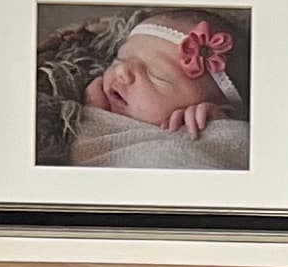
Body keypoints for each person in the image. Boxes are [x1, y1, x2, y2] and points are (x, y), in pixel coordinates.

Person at [34, 9, 248, 172]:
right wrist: (93, 116)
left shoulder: (216, 127)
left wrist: (219, 125)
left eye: (156, 75)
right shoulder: (82, 113)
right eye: (120, 59)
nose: (122, 72)